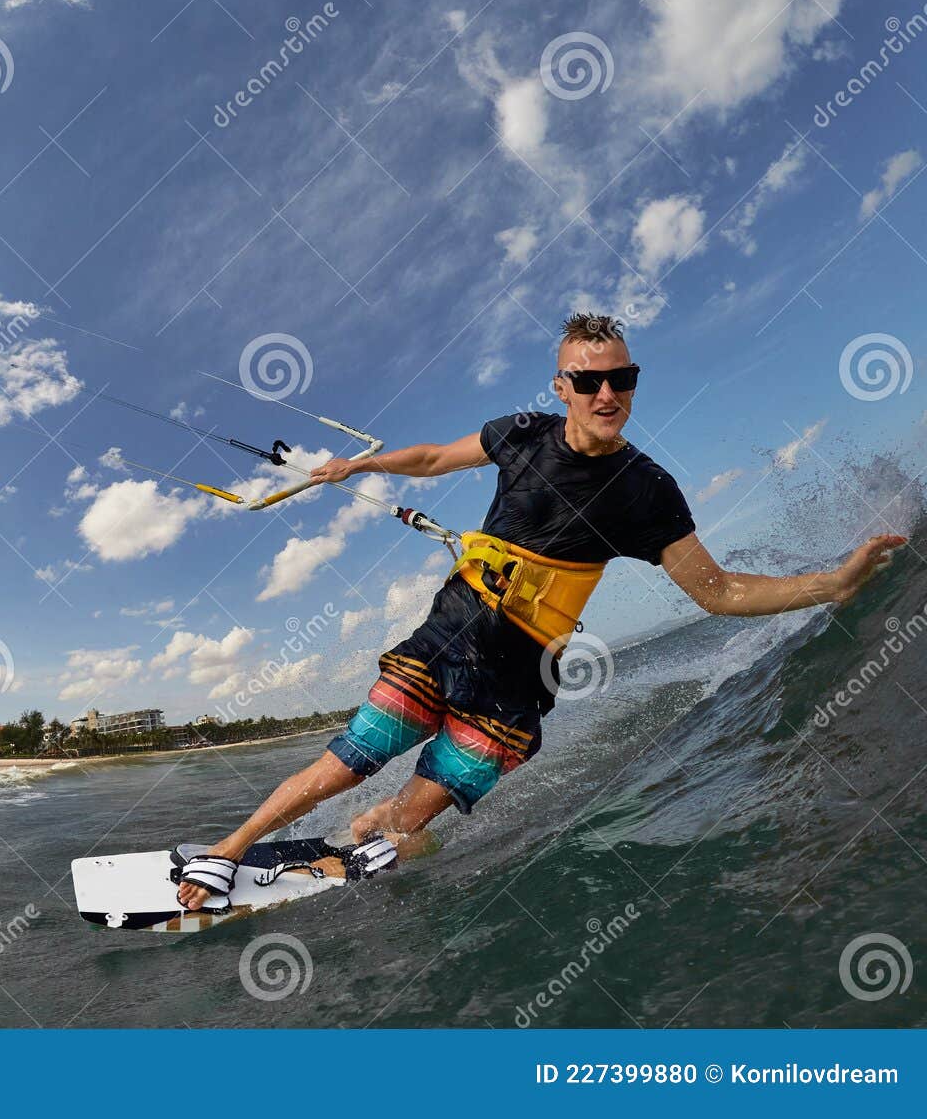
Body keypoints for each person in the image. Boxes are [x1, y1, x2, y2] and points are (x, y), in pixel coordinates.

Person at [175, 313, 906, 912]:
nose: (607, 392)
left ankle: (375, 835)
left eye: (622, 378)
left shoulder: (646, 490)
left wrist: (832, 585)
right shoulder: (520, 433)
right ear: (563, 385)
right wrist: (356, 465)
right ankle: (228, 850)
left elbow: (716, 591)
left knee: (407, 819)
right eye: (590, 380)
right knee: (347, 761)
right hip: (446, 635)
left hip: (516, 682)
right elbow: (433, 458)